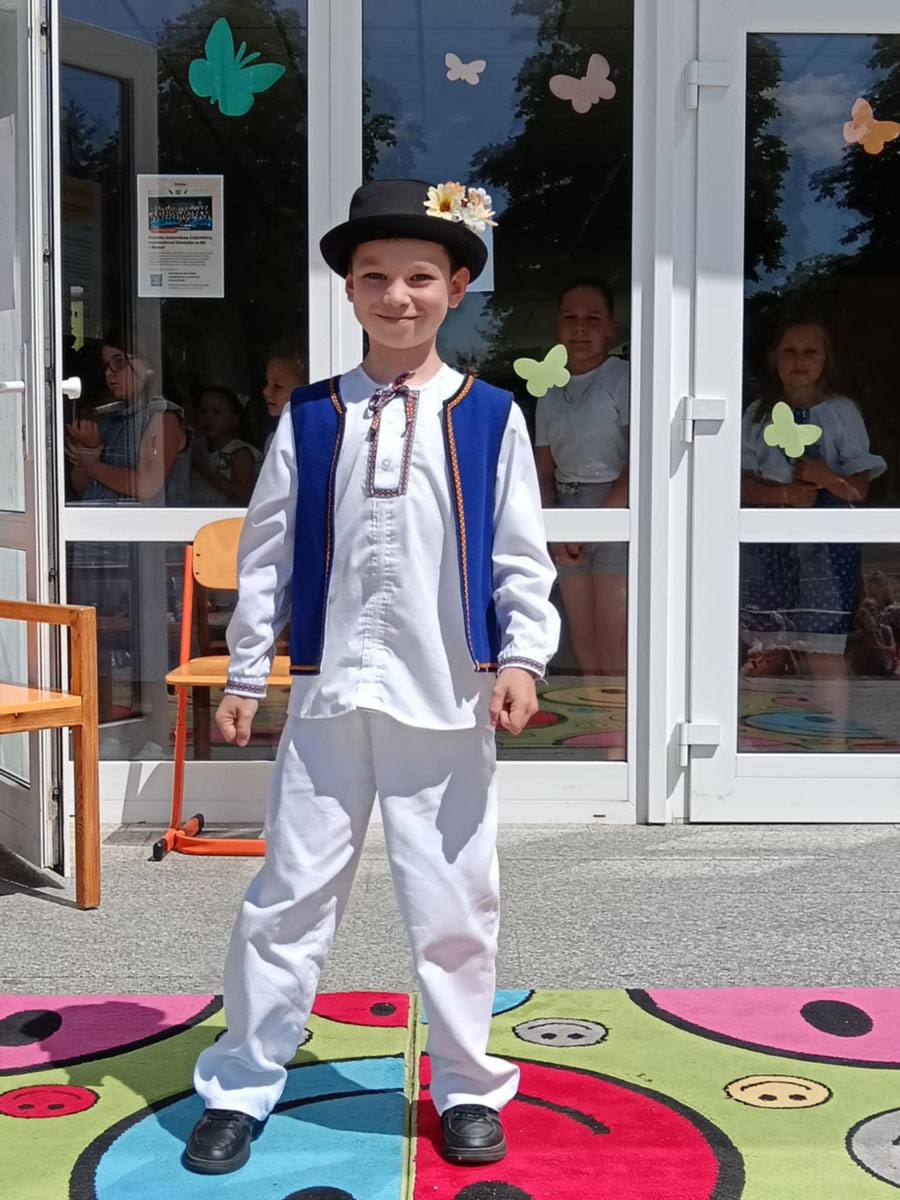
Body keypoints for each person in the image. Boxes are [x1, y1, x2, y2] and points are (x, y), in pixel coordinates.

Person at [184, 179, 560, 1176]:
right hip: (328, 699)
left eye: (421, 277)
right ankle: (242, 1082)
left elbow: (521, 555)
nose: (399, 296)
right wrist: (246, 673)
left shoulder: (490, 417)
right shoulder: (313, 416)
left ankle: (467, 1085)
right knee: (289, 895)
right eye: (376, 277)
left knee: (455, 901)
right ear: (348, 290)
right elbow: (267, 553)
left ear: (457, 287)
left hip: (446, 695)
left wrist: (524, 656)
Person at [740, 316, 886, 736]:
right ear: (774, 358)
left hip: (825, 546)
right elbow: (735, 482)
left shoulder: (840, 413)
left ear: (826, 360)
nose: (799, 360)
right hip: (769, 542)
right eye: (790, 351)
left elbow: (859, 488)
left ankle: (832, 742)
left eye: (810, 352)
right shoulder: (758, 415)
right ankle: (756, 742)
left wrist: (825, 477)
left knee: (823, 649)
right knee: (766, 649)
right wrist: (782, 495)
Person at [534, 277, 628, 681]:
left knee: (614, 635)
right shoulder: (548, 387)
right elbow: (543, 469)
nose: (580, 328)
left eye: (593, 319)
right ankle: (594, 716)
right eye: (570, 318)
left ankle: (620, 721)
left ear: (610, 328)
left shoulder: (622, 378)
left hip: (615, 508)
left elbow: (641, 462)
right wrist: (555, 526)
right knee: (582, 638)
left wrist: (596, 524)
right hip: (566, 510)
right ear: (557, 326)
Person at [65, 330, 191, 504]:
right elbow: (82, 488)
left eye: (119, 362)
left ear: (149, 365)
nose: (108, 373)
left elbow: (147, 485)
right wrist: (88, 448)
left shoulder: (163, 418)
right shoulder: (108, 419)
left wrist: (92, 465)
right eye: (105, 366)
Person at [191, 386, 261, 506]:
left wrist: (207, 471)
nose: (208, 418)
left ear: (233, 419)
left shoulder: (239, 453)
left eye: (216, 412)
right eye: (203, 412)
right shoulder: (199, 450)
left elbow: (242, 497)